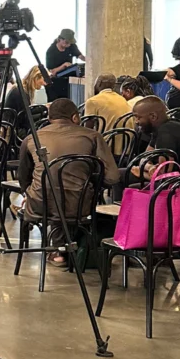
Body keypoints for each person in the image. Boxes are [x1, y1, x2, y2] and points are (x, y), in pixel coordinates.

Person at [17, 99, 120, 265]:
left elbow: (23, 178)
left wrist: (29, 192)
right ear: (75, 117)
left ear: (50, 118)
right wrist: (89, 178)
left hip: (39, 203)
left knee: (53, 194)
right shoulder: (93, 136)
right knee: (68, 198)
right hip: (79, 205)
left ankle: (58, 250)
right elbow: (112, 177)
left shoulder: (32, 138)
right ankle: (67, 248)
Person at [132, 96, 180, 178]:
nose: (136, 122)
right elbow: (144, 158)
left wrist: (141, 174)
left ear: (153, 116)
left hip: (179, 184)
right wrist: (150, 167)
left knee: (121, 176)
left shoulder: (166, 133)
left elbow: (163, 176)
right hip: (174, 180)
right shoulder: (161, 127)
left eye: (138, 117)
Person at [44, 28, 86, 101]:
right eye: (66, 42)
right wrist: (64, 65)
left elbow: (80, 56)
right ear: (60, 39)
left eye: (70, 43)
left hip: (68, 80)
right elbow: (51, 72)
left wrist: (90, 60)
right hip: (55, 81)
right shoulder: (51, 51)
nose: (68, 45)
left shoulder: (72, 46)